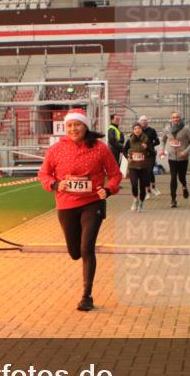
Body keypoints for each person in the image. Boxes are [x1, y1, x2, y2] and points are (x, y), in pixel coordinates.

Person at [38, 108, 122, 311]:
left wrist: (108, 190)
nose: (73, 129)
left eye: (78, 124)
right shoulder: (56, 150)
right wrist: (57, 185)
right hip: (66, 204)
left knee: (87, 248)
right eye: (70, 125)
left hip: (93, 202)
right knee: (75, 252)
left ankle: (87, 295)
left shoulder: (100, 148)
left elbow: (115, 174)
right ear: (64, 128)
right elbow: (43, 175)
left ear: (85, 126)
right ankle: (85, 284)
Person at [160, 111, 190, 208]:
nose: (175, 119)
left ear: (180, 118)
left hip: (182, 158)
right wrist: (162, 150)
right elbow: (163, 140)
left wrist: (186, 151)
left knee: (181, 177)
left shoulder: (186, 129)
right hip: (172, 157)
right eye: (173, 117)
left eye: (177, 117)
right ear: (171, 119)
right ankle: (173, 199)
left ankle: (184, 187)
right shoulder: (167, 129)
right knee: (173, 178)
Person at [123, 122, 152, 212]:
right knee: (134, 184)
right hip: (133, 166)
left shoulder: (146, 139)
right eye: (135, 129)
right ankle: (135, 199)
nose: (137, 130)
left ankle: (141, 202)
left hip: (143, 167)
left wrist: (147, 147)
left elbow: (152, 153)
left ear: (141, 130)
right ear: (133, 130)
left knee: (142, 187)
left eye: (138, 128)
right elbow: (124, 150)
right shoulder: (130, 140)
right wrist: (128, 157)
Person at [138, 114, 160, 197]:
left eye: (145, 120)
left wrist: (150, 145)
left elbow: (157, 141)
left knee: (149, 170)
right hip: (141, 154)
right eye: (142, 120)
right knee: (144, 172)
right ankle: (148, 190)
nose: (143, 122)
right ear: (139, 122)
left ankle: (153, 187)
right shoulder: (137, 131)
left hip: (151, 154)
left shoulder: (152, 130)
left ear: (147, 122)